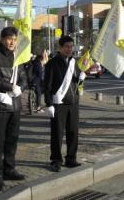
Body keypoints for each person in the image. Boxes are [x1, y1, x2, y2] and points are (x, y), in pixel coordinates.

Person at [0, 27, 27, 191]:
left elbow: (24, 77)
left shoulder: (18, 57)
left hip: (15, 105)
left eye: (15, 39)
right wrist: (10, 86)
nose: (12, 42)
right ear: (2, 39)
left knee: (12, 139)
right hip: (0, 105)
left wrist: (20, 88)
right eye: (9, 39)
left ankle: (9, 169)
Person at [44, 36, 86, 172]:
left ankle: (71, 158)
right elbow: (47, 85)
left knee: (73, 132)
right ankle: (56, 160)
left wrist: (81, 79)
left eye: (71, 46)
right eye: (67, 46)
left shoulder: (75, 63)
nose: (69, 49)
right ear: (60, 48)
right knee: (57, 133)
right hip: (58, 103)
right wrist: (48, 103)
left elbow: (77, 84)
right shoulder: (52, 63)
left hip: (73, 102)